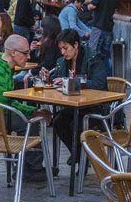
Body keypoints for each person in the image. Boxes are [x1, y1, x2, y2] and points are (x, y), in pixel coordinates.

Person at [46, 28, 108, 164]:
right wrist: (48, 79)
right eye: (60, 49)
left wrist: (73, 82)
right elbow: (58, 81)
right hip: (72, 106)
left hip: (94, 107)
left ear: (75, 45)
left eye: (65, 48)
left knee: (76, 125)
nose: (63, 52)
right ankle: (79, 155)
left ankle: (80, 157)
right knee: (58, 122)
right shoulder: (62, 62)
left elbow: (99, 84)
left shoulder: (93, 58)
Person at [87, 0, 116, 69]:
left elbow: (93, 6)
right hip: (109, 28)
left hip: (98, 27)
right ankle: (108, 76)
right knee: (106, 56)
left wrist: (88, 6)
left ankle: (94, 74)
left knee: (93, 53)